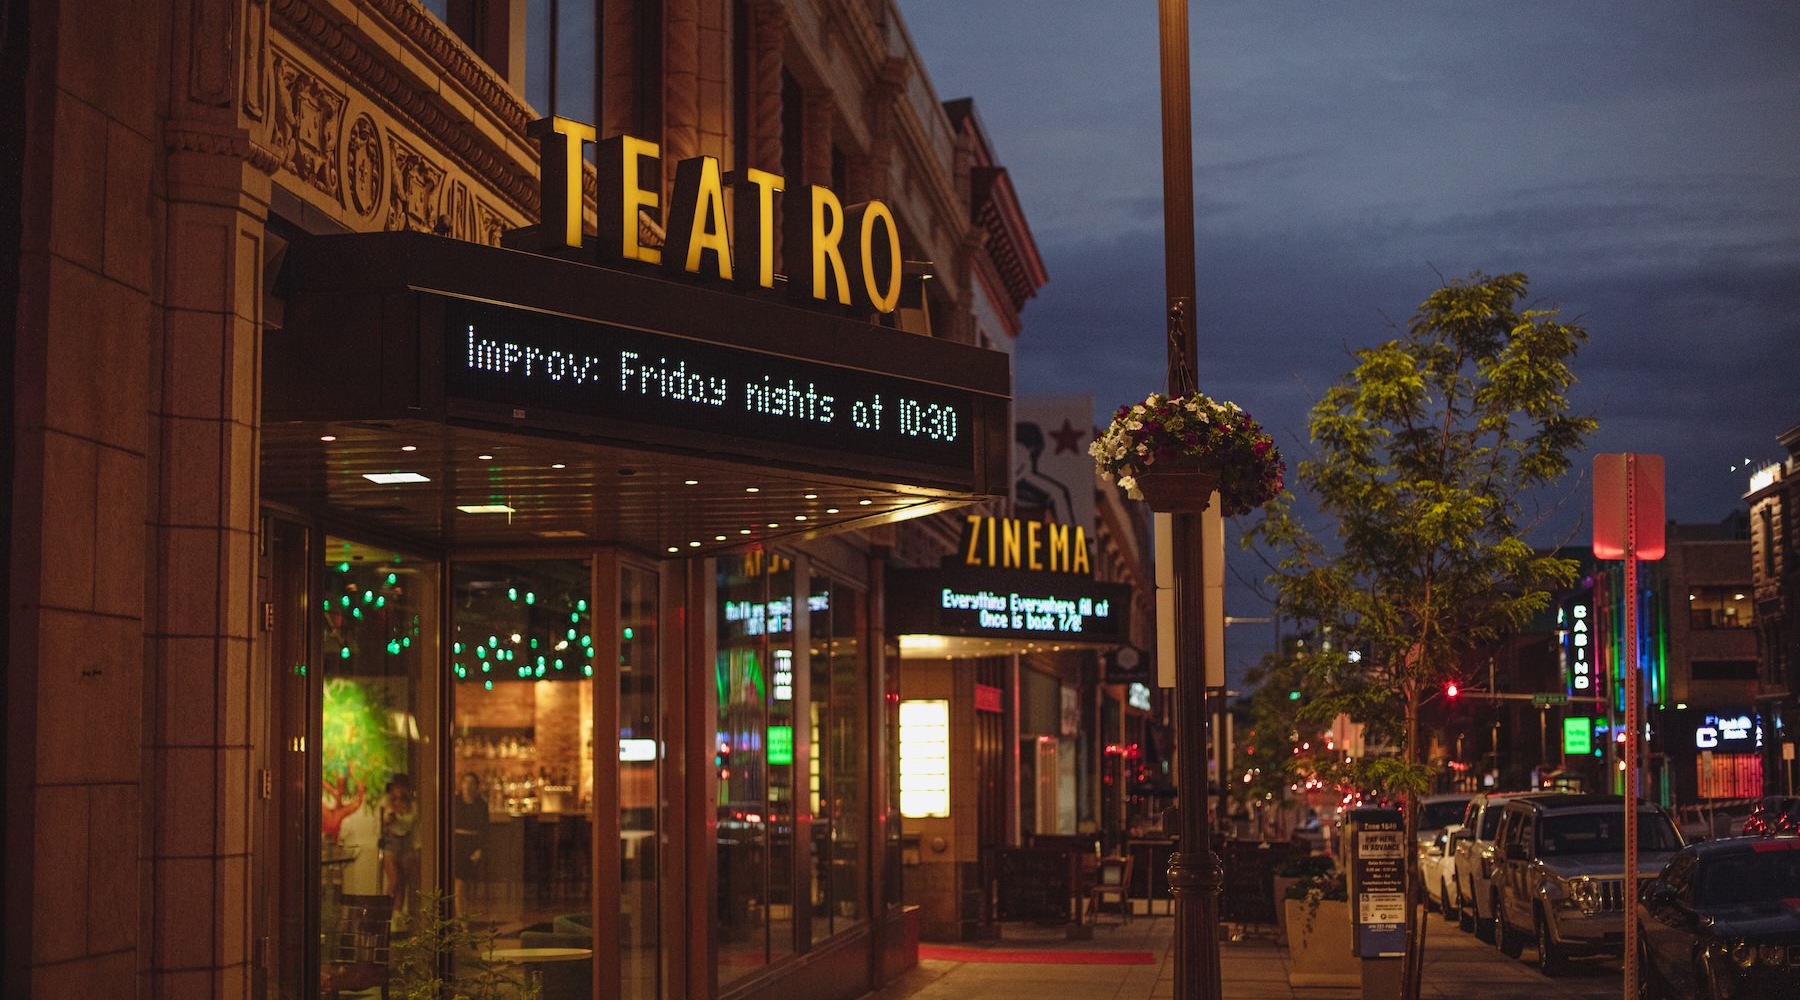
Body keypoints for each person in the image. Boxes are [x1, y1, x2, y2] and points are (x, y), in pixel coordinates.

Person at [378, 774, 419, 915]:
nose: (400, 790)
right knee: (394, 880)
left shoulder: (412, 804)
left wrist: (417, 848)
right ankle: (384, 912)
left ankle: (397, 917)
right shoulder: (386, 802)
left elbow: (416, 827)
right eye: (397, 787)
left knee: (402, 883)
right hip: (391, 840)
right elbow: (380, 822)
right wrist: (389, 818)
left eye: (402, 787)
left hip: (407, 842)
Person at [452, 772, 489, 912]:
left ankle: (461, 916)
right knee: (459, 883)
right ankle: (462, 920)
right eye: (465, 782)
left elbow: (485, 830)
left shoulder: (481, 805)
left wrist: (480, 849)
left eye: (471, 783)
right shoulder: (454, 802)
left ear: (477, 786)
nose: (468, 786)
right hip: (456, 844)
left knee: (461, 884)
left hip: (472, 847)